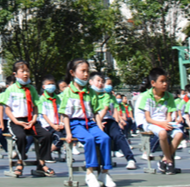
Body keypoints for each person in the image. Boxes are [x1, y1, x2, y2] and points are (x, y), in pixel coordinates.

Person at [61, 58, 114, 187]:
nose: (86, 74)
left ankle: (104, 172)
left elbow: (95, 112)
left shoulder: (91, 92)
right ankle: (90, 174)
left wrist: (99, 125)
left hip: (89, 123)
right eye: (83, 71)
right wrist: (68, 133)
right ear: (73, 73)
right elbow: (65, 115)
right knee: (89, 139)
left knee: (105, 138)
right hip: (75, 123)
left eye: (87, 71)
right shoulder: (68, 92)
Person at [2, 60, 55, 177]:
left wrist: (34, 119)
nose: (25, 74)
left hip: (31, 120)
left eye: (27, 71)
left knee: (47, 135)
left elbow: (36, 107)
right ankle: (19, 163)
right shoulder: (11, 89)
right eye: (22, 71)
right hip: (16, 121)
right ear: (15, 74)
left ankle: (41, 163)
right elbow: (7, 109)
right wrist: (16, 121)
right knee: (20, 137)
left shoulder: (32, 89)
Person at [137, 67, 183, 174]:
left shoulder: (169, 96)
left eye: (166, 81)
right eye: (162, 81)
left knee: (179, 134)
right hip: (152, 123)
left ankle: (164, 161)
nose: (165, 84)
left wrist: (168, 123)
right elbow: (148, 118)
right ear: (153, 83)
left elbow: (169, 114)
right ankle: (170, 161)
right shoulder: (146, 96)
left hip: (165, 122)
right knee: (162, 134)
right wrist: (162, 124)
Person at [92, 73, 135, 169]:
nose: (107, 86)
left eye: (108, 84)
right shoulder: (91, 95)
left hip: (108, 121)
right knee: (97, 138)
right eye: (105, 83)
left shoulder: (108, 96)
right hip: (95, 122)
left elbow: (110, 109)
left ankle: (130, 159)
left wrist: (118, 121)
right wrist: (97, 122)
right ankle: (97, 161)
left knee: (118, 135)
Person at [39, 75, 65, 159]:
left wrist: (61, 123)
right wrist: (53, 125)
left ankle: (49, 152)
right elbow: (44, 114)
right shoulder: (42, 98)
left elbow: (61, 112)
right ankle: (46, 153)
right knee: (59, 137)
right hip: (47, 125)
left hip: (57, 124)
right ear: (44, 86)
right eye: (49, 84)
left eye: (53, 84)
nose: (51, 86)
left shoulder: (57, 98)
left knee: (67, 134)